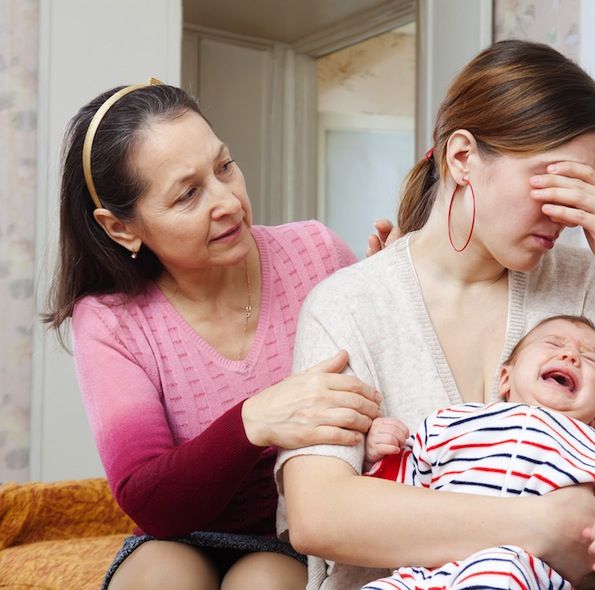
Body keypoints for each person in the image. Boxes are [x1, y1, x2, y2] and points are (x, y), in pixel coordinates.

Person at [277, 39, 595, 590]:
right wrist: (538, 525)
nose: (565, 213)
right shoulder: (349, 305)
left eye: (584, 187)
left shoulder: (585, 280)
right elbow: (320, 514)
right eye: (554, 180)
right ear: (463, 158)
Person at [43, 79, 391, 590]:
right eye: (188, 194)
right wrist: (254, 421)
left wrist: (391, 300)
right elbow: (150, 500)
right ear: (122, 229)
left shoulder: (316, 252)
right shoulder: (111, 319)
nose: (226, 201)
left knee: (264, 581)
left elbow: (385, 396)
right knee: (163, 577)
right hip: (177, 534)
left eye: (224, 167)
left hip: (296, 534)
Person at [362, 315, 595, 589]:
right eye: (553, 343)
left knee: (502, 570)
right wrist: (381, 453)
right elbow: (403, 488)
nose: (570, 355)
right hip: (423, 570)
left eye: (590, 359)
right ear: (506, 378)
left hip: (516, 571)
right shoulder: (451, 421)